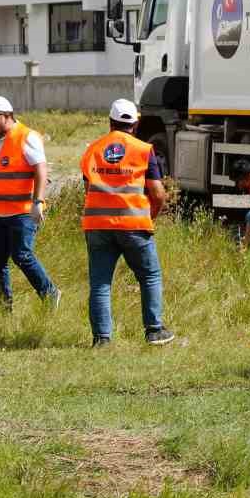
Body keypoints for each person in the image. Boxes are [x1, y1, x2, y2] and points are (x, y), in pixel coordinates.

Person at [81, 98, 174, 346]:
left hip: (98, 226)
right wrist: (149, 216)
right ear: (135, 123)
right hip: (134, 226)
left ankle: (102, 339)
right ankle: (154, 330)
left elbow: (89, 188)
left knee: (100, 284)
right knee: (150, 276)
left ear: (110, 122)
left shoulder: (93, 149)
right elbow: (157, 192)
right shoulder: (144, 150)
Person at [0, 95, 59, 307]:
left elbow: (41, 169)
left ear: (6, 116)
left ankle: (50, 294)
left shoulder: (26, 137)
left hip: (23, 212)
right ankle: (3, 306)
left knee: (21, 255)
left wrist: (38, 202)